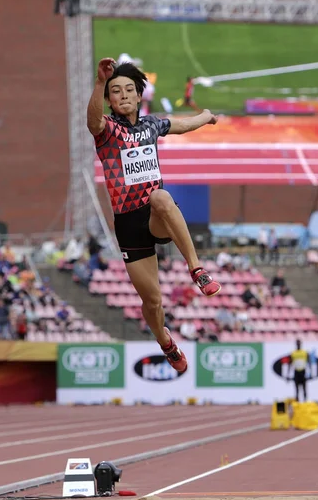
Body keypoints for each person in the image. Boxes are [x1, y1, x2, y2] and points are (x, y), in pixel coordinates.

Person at [87, 58, 222, 374]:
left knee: (160, 196)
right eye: (115, 91)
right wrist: (98, 82)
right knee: (152, 303)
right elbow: (92, 122)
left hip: (154, 215)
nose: (122, 95)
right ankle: (166, 342)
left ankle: (197, 268)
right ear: (109, 98)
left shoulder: (151, 125)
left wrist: (206, 116)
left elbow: (182, 124)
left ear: (138, 95)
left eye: (128, 90)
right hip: (129, 226)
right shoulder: (107, 131)